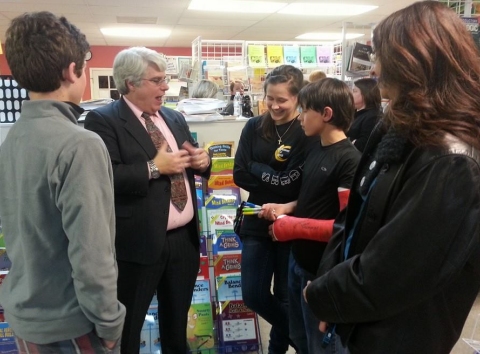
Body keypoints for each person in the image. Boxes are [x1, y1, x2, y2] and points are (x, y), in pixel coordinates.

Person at [305, 2, 480, 353]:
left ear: (411, 60)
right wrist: (330, 292)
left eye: (382, 55)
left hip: (399, 334)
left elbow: (396, 269)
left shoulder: (452, 159)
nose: (377, 67)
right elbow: (353, 214)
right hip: (361, 320)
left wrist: (323, 296)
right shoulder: (396, 128)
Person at [0, 11, 125, 353]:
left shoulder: (13, 138)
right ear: (72, 70)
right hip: (71, 322)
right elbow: (92, 252)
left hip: (27, 312)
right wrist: (109, 321)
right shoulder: (79, 144)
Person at [84, 46, 211, 354]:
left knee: (176, 328)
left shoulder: (174, 117)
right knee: (128, 333)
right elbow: (105, 178)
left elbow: (194, 160)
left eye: (165, 79)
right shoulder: (103, 121)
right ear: (131, 83)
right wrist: (154, 168)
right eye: (157, 80)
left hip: (184, 241)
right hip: (138, 245)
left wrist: (202, 162)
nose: (165, 87)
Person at [259, 78, 360, 354]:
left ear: (326, 114)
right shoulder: (316, 147)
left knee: (321, 346)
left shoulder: (349, 160)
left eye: (305, 110)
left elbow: (346, 227)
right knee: (299, 338)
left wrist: (292, 227)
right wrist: (287, 208)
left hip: (322, 271)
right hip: (299, 261)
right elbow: (312, 198)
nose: (300, 117)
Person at [233, 64, 316, 354]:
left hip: (291, 222)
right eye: (270, 98)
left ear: (298, 98)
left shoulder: (306, 132)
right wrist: (271, 176)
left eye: (282, 100)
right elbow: (239, 174)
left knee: (284, 298)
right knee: (253, 294)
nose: (274, 105)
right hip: (256, 219)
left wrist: (257, 168)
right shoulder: (254, 126)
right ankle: (305, 344)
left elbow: (291, 184)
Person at [347, 78, 382, 152]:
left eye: (354, 91)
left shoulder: (373, 116)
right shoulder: (354, 111)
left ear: (366, 94)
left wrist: (347, 140)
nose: (351, 94)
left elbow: (363, 145)